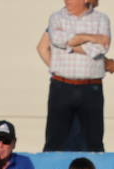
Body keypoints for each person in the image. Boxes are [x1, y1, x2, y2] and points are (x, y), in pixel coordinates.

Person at [37, 0, 110, 152]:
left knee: (93, 140)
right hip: (62, 85)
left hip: (91, 87)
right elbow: (59, 40)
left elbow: (102, 48)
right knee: (55, 138)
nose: (66, 1)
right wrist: (91, 37)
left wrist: (72, 43)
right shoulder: (56, 18)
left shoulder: (101, 19)